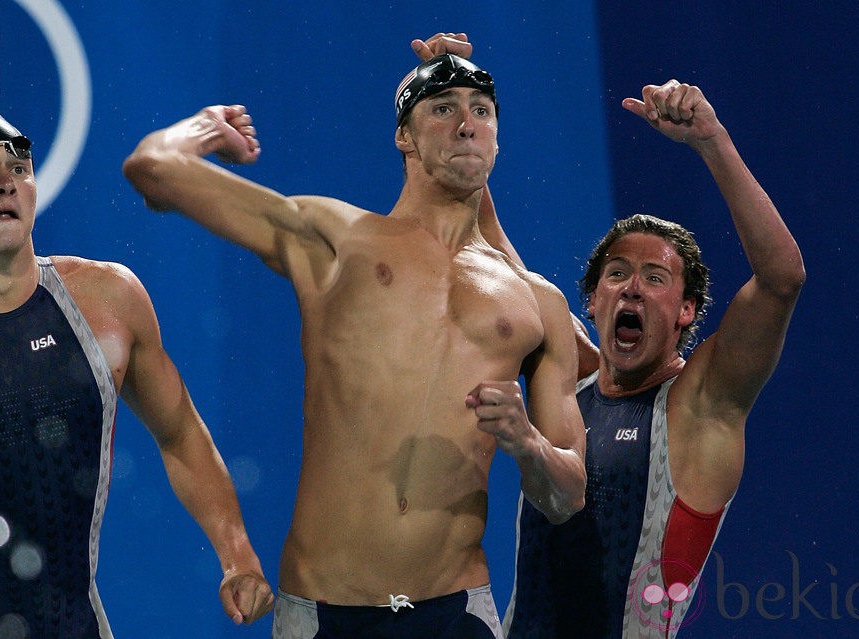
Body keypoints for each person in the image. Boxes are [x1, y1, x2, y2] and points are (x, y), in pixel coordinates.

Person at [122, 34, 587, 639]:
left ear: (499, 133)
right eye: (442, 108)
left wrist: (527, 442)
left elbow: (568, 496)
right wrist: (207, 129)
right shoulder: (337, 241)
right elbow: (153, 170)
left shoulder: (536, 302)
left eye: (481, 109)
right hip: (325, 611)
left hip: (457, 612)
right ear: (404, 136)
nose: (466, 125)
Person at [0, 108, 274, 638]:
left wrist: (237, 552)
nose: (4, 182)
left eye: (19, 167)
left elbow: (179, 432)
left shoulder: (107, 300)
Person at [493, 81, 805, 637]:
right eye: (617, 274)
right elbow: (496, 258)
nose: (631, 289)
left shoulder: (703, 406)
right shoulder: (569, 381)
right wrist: (455, 92)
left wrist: (712, 140)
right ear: (591, 301)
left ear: (687, 310)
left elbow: (781, 280)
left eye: (654, 279)